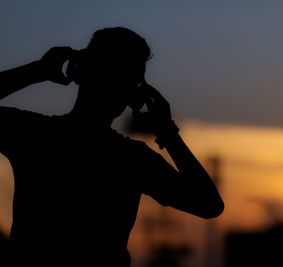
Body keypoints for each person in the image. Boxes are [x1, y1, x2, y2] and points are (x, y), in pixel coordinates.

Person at [0, 27, 224, 267]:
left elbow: (209, 205)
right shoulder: (132, 160)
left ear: (79, 72)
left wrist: (37, 71)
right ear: (135, 95)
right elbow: (208, 204)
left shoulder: (34, 135)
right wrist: (168, 133)